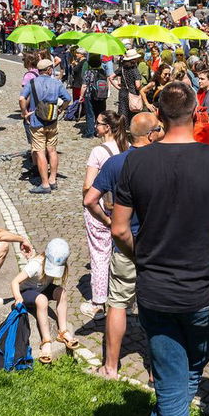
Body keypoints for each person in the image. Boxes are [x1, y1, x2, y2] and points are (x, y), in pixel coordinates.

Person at [111, 81, 209, 416]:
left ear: (159, 114)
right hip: (204, 291)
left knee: (176, 384)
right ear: (194, 112)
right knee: (180, 382)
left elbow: (119, 229)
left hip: (156, 289)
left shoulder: (136, 161)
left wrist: (142, 256)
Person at [88, 111, 162, 380]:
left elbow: (89, 199)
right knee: (156, 308)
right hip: (157, 245)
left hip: (125, 243)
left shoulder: (116, 163)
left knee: (118, 303)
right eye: (158, 129)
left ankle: (110, 366)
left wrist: (107, 220)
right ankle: (155, 371)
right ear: (150, 135)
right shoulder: (163, 161)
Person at [82, 112, 127, 313]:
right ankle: (124, 298)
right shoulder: (125, 146)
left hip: (101, 209)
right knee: (122, 252)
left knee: (99, 254)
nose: (95, 126)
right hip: (122, 207)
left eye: (99, 124)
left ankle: (98, 302)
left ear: (107, 127)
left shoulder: (98, 152)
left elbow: (88, 186)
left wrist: (86, 200)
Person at [11, 238, 76, 364]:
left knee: (62, 292)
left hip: (41, 288)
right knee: (42, 300)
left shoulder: (58, 263)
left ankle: (63, 331)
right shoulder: (35, 265)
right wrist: (18, 298)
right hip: (26, 292)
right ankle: (46, 341)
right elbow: (15, 282)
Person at [22, 57, 67, 190]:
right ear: (49, 70)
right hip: (52, 121)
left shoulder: (32, 82)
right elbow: (67, 98)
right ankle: (52, 179)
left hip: (37, 121)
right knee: (52, 150)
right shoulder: (56, 83)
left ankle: (45, 184)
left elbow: (21, 98)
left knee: (40, 152)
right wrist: (60, 110)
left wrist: (25, 113)